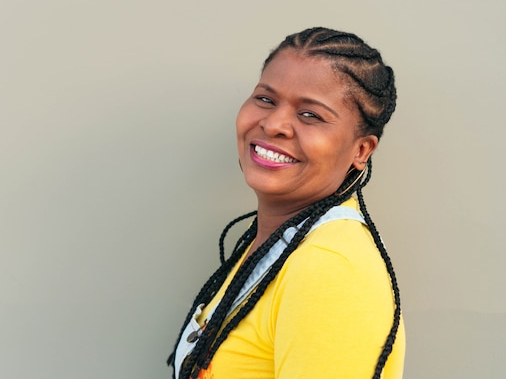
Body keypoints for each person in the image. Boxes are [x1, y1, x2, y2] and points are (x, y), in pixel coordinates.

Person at [167, 27, 405, 379]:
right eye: (265, 99)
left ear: (361, 150)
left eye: (310, 115)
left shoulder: (330, 267)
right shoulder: (275, 242)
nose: (274, 123)